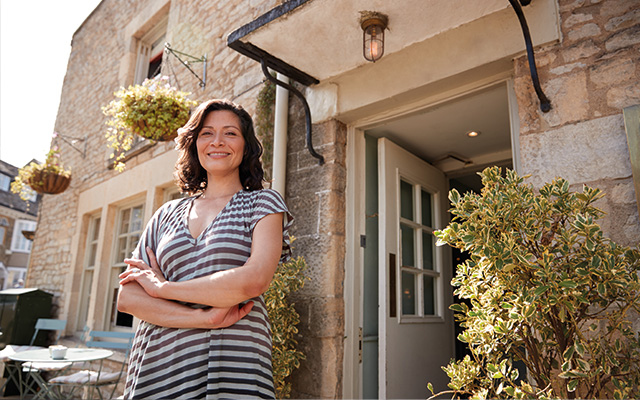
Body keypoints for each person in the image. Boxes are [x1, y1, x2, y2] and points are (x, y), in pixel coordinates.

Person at [117, 99, 293, 399]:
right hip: (157, 365)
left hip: (232, 361)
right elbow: (128, 297)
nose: (218, 142)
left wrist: (162, 288)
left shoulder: (263, 204)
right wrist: (204, 319)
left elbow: (253, 280)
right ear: (195, 144)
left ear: (246, 145)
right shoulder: (164, 214)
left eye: (230, 133)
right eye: (207, 133)